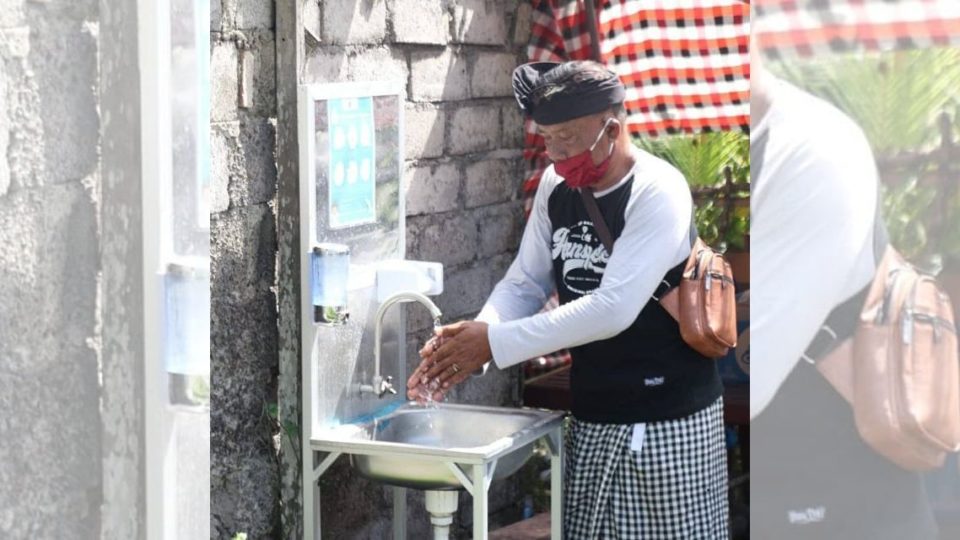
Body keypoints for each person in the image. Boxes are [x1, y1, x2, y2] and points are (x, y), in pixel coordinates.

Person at [407, 60, 729, 539]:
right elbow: (526, 283)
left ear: (612, 128)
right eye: (547, 138)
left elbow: (613, 307)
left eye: (569, 139)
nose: (556, 153)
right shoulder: (558, 188)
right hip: (596, 412)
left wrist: (495, 343)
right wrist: (476, 338)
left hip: (666, 420)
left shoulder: (657, 192)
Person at [749, 39, 939, 537]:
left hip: (844, 497)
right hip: (803, 482)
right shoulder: (767, 141)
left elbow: (759, 373)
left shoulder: (811, 148)